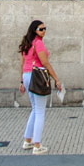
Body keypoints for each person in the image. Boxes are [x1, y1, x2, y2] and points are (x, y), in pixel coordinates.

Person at [18, 19, 61, 154]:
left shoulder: (26, 44)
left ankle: (28, 140)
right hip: (36, 76)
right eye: (41, 29)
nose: (44, 31)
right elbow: (45, 63)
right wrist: (56, 79)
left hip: (26, 76)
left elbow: (22, 63)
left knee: (35, 109)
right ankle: (37, 145)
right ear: (34, 30)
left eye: (45, 28)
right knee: (40, 111)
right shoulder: (38, 43)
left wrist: (21, 81)